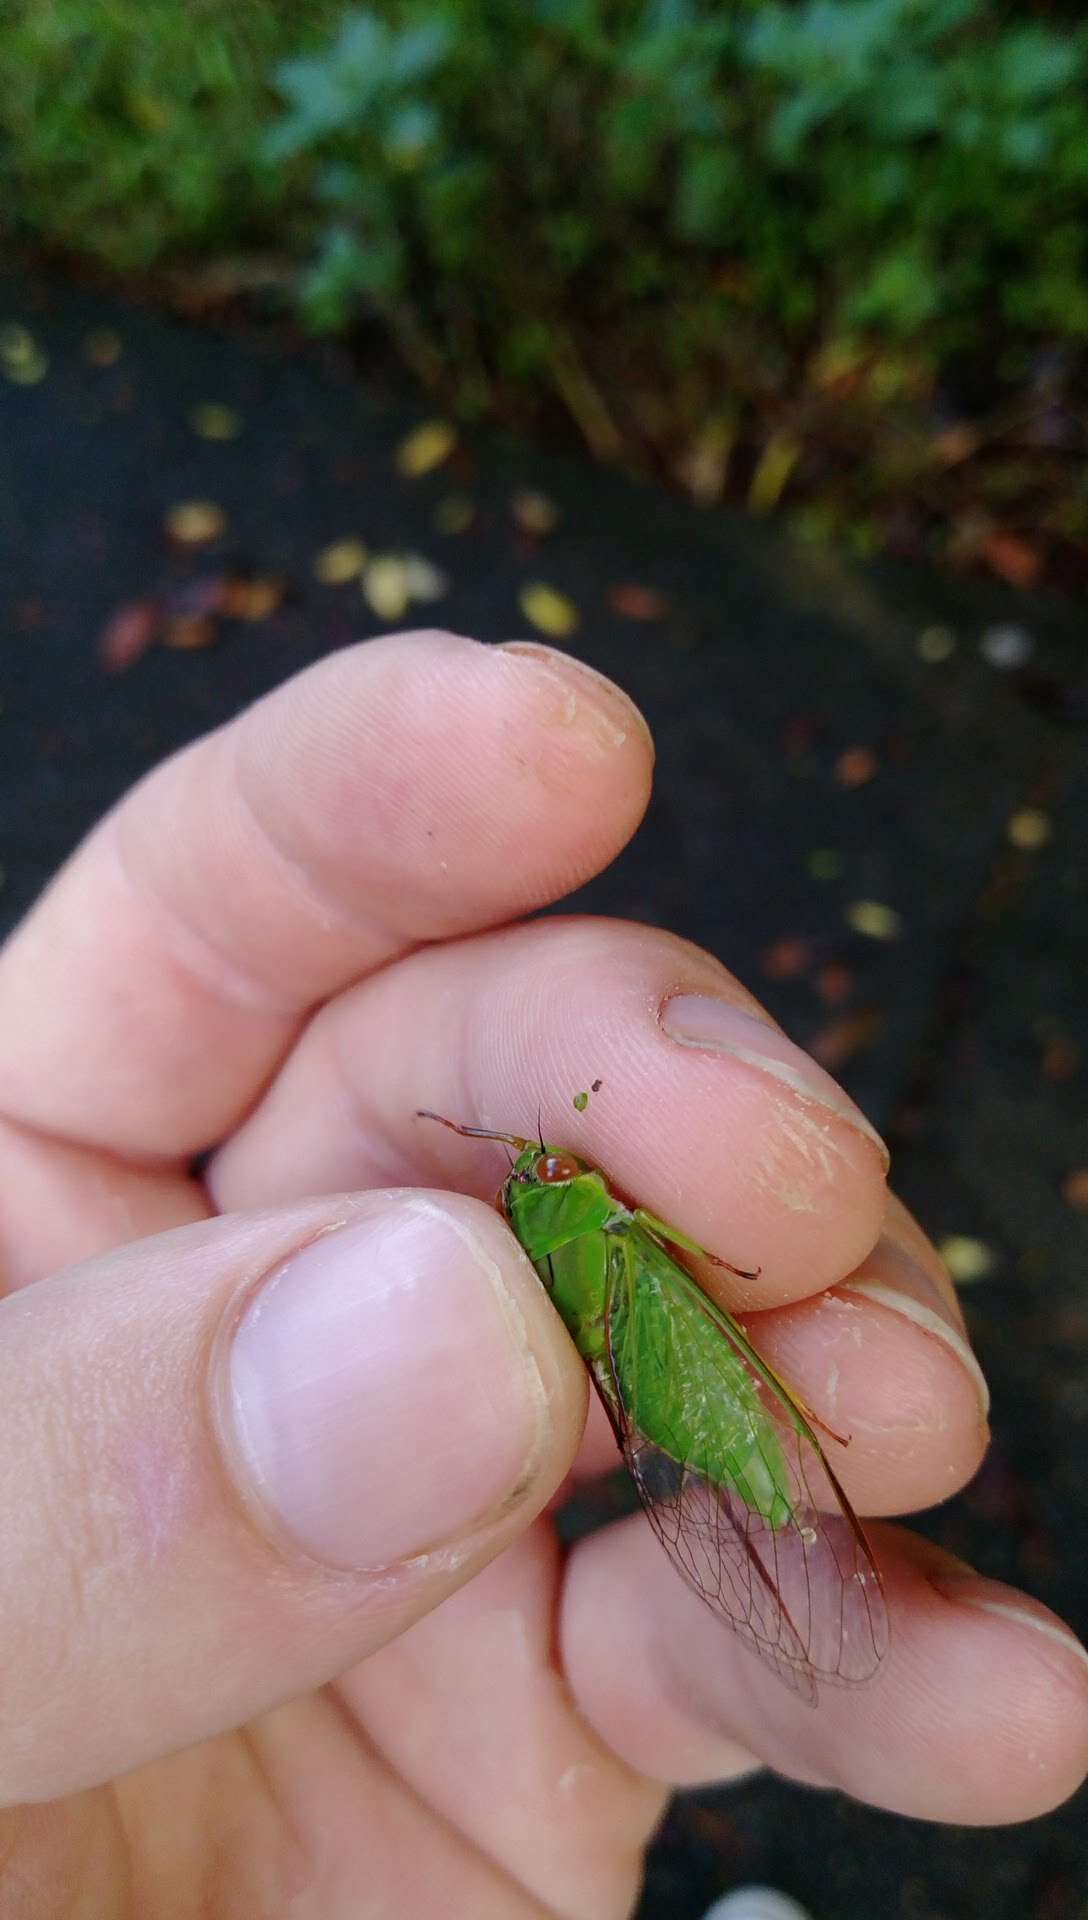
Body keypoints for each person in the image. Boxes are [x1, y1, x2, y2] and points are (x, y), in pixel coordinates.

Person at [0, 629, 1083, 1916]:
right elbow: (706, 1248)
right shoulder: (616, 1225)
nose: (543, 1178)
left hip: (661, 1380)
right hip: (688, 1361)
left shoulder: (578, 1226)